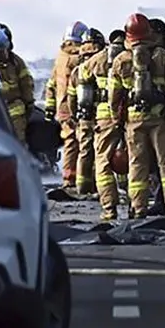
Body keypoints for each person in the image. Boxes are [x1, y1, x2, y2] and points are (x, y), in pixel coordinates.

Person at [109, 13, 165, 220]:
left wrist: (116, 120)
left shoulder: (121, 60)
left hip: (134, 121)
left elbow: (114, 97)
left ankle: (138, 208)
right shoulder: (162, 56)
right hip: (161, 119)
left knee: (137, 164)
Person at [78, 29, 127, 220]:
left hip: (104, 118)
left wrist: (84, 116)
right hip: (130, 116)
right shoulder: (131, 59)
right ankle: (137, 207)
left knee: (103, 163)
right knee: (136, 162)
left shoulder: (94, 61)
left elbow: (83, 88)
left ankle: (109, 208)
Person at [45, 21, 88, 189]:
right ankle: (73, 179)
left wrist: (50, 107)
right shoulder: (78, 58)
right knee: (80, 143)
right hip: (75, 107)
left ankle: (70, 177)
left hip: (62, 108)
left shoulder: (60, 57)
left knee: (71, 142)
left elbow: (51, 84)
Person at [68, 28, 106, 195]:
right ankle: (101, 187)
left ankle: (83, 188)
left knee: (84, 152)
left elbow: (71, 97)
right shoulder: (103, 63)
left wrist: (75, 115)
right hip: (101, 115)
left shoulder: (78, 70)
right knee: (101, 152)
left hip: (84, 117)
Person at [0, 24, 36, 144]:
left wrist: (29, 103)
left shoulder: (16, 62)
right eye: (0, 52)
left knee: (18, 146)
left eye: (4, 50)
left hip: (16, 115)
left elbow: (26, 84)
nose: (4, 54)